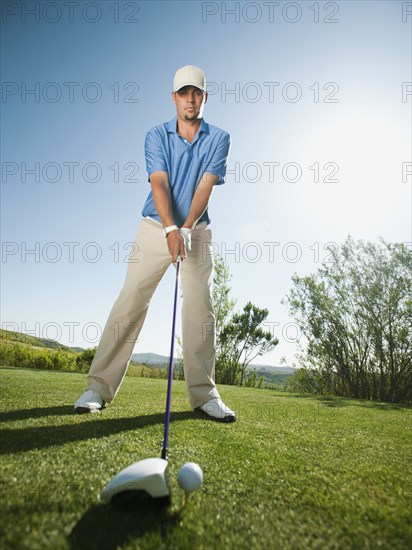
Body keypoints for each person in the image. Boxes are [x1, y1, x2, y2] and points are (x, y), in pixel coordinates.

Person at [74, 65, 236, 422]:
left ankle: (204, 395)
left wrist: (187, 228)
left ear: (205, 97)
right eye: (183, 93)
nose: (190, 99)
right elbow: (158, 183)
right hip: (154, 227)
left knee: (200, 310)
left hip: (197, 231)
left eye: (197, 93)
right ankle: (97, 388)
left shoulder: (220, 137)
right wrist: (170, 229)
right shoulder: (156, 135)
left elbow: (205, 185)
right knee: (131, 299)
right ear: (174, 97)